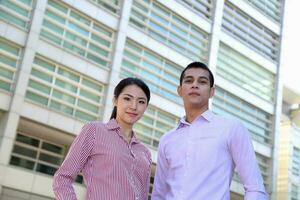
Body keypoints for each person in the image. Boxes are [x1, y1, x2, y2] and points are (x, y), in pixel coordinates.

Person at [152, 62, 268, 200]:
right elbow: (159, 194)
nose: (195, 85)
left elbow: (256, 189)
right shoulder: (167, 139)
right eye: (189, 81)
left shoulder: (231, 128)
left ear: (211, 92)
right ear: (179, 90)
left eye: (202, 82)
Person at [53, 77, 152, 200]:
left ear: (146, 107)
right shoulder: (94, 130)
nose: (134, 106)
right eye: (127, 99)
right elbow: (62, 178)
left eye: (141, 102)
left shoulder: (145, 153)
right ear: (115, 100)